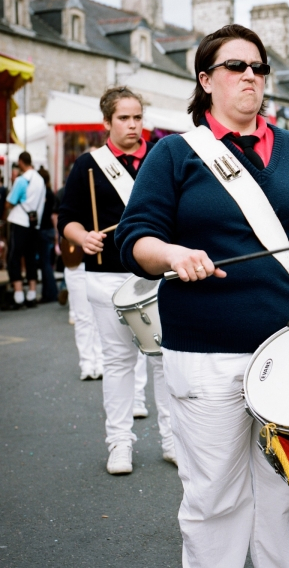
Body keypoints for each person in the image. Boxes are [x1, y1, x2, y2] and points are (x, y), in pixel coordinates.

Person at [114, 24, 289, 568]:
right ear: (206, 79)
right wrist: (173, 254)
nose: (251, 76)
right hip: (206, 353)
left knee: (284, 497)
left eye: (259, 67)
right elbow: (135, 239)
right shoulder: (174, 155)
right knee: (214, 499)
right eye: (236, 66)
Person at [58, 86, 174, 474]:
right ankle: (120, 445)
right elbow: (67, 217)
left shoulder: (159, 159)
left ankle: (172, 439)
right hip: (105, 276)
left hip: (155, 275)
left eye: (137, 117)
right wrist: (82, 236)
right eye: (124, 118)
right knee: (119, 362)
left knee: (165, 362)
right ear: (107, 122)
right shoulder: (88, 166)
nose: (132, 125)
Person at [5, 151, 45, 309]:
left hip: (20, 221)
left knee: (14, 256)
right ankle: (32, 293)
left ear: (21, 162)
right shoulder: (40, 180)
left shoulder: (22, 180)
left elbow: (10, 202)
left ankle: (18, 294)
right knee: (30, 258)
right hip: (34, 224)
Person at [38, 168, 59, 303]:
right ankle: (50, 291)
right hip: (50, 230)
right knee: (48, 262)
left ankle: (50, 292)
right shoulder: (51, 193)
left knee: (45, 263)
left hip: (44, 229)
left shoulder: (43, 193)